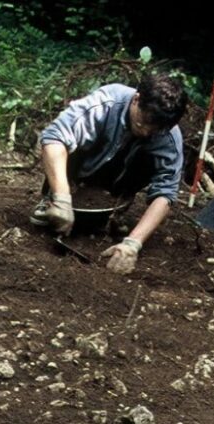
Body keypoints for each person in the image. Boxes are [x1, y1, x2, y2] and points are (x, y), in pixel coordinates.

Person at [30, 73, 189, 274]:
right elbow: (53, 137)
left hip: (119, 181)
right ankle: (55, 200)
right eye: (142, 123)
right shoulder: (105, 103)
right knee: (64, 140)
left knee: (151, 151)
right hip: (81, 168)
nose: (146, 132)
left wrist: (133, 243)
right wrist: (61, 197)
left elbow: (166, 193)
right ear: (136, 99)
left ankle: (113, 208)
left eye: (154, 129)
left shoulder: (168, 136)